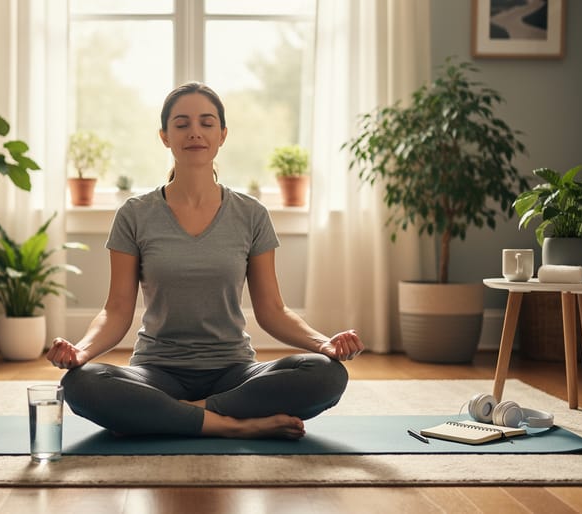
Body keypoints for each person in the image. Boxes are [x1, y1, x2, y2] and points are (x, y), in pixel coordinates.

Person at [46, 82, 364, 440]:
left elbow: (273, 310)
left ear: (222, 134)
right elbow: (117, 309)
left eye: (206, 123)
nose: (194, 132)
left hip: (233, 372)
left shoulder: (251, 214)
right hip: (156, 372)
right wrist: (81, 351)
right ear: (165, 136)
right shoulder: (135, 214)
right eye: (181, 124)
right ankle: (233, 425)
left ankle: (180, 417)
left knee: (326, 374)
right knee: (82, 383)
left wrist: (324, 344)